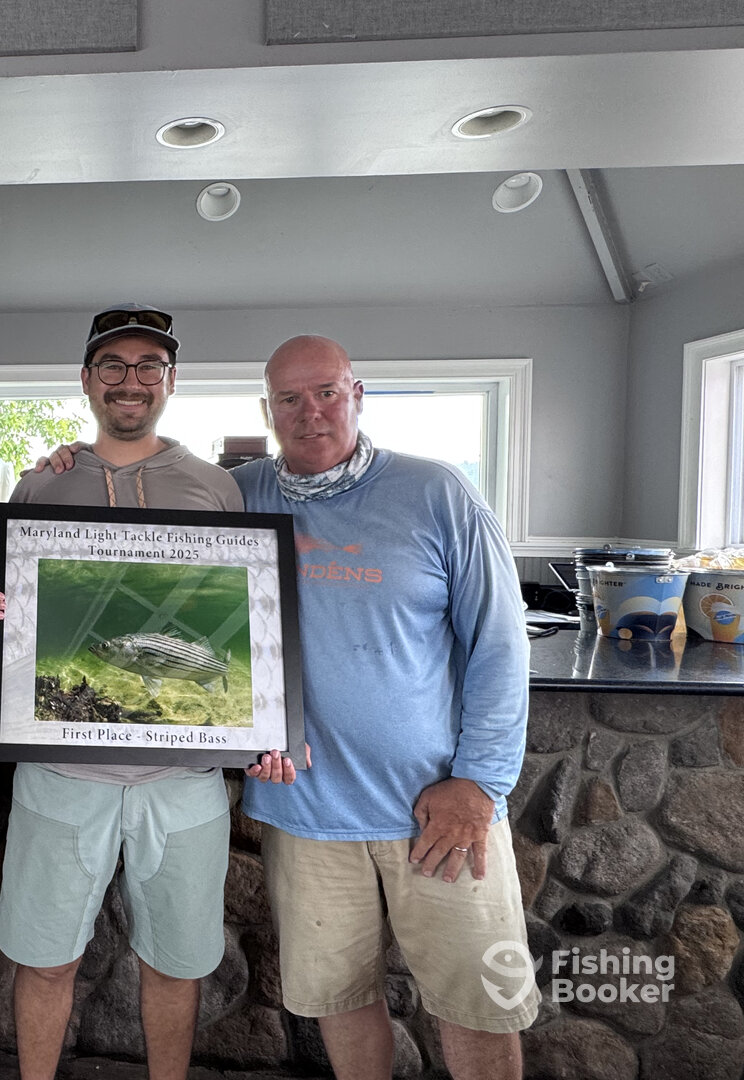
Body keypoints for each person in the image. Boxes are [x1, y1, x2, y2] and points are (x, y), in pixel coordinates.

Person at [0, 303, 294, 1080]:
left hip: (183, 781)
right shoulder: (40, 481)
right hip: (60, 776)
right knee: (45, 958)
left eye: (149, 367)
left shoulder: (216, 487)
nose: (131, 382)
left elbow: (250, 614)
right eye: (114, 366)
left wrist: (264, 721)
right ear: (87, 379)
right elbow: (11, 609)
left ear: (170, 381)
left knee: (176, 964)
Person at [233, 334, 536, 1080]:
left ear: (358, 395)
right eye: (289, 399)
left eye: (327, 392)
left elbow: (500, 645)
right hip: (304, 811)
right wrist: (65, 466)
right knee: (340, 1002)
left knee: (478, 1006)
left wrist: (480, 783)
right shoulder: (237, 496)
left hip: (441, 813)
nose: (310, 413)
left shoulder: (438, 493)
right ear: (267, 410)